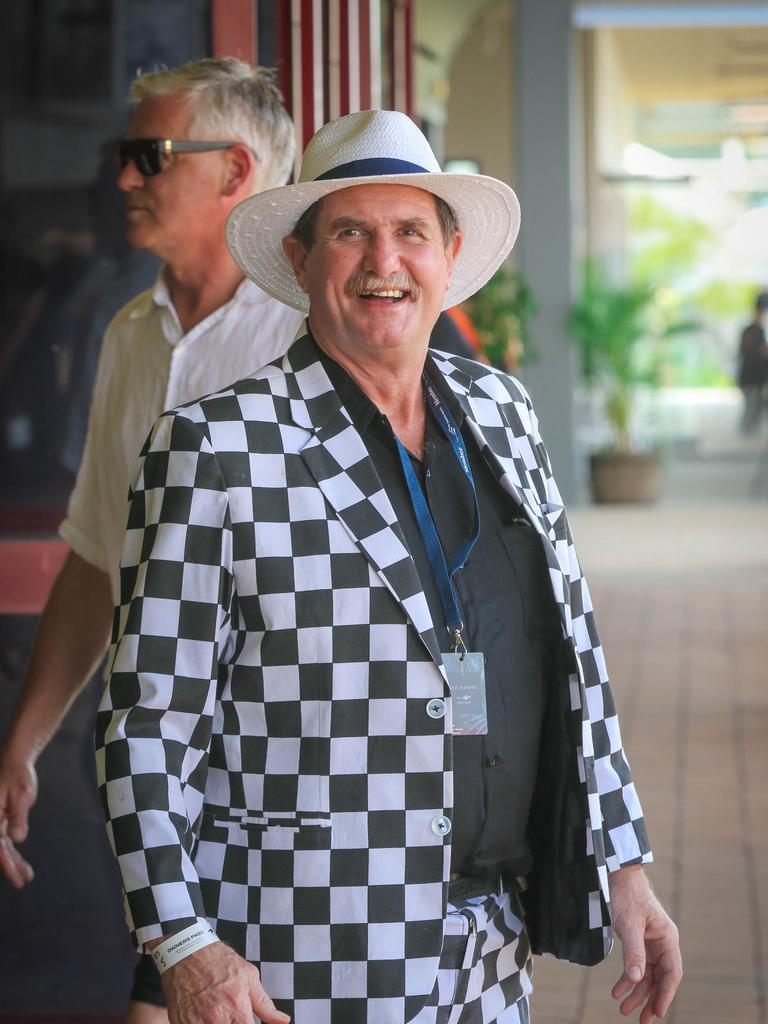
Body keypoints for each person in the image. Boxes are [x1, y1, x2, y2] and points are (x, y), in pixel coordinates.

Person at [96, 109, 682, 1024]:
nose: (384, 260)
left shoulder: (504, 414)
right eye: (350, 233)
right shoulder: (215, 446)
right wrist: (181, 943)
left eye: (411, 231)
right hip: (300, 953)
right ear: (300, 262)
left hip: (490, 941)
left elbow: (574, 657)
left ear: (448, 258)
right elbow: (146, 726)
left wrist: (624, 866)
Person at [0, 57, 306, 1021]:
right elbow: (96, 560)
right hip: (164, 789)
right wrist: (27, 743)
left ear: (236, 171)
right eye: (122, 156)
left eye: (149, 155)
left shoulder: (314, 335)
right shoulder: (129, 333)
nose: (124, 179)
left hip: (298, 792)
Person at [736, 290, 768, 434]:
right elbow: (747, 352)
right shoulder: (752, 331)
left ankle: (750, 434)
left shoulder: (757, 330)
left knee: (755, 406)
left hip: (757, 377)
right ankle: (748, 434)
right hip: (751, 377)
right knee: (752, 406)